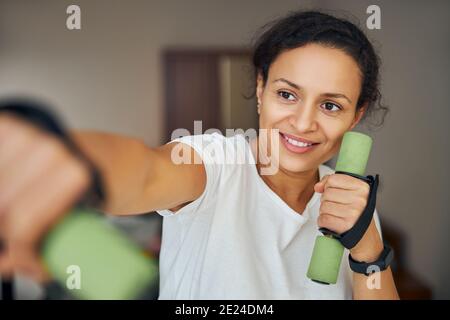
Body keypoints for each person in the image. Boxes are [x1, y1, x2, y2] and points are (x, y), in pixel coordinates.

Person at [0, 10, 399, 299]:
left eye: (331, 105)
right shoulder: (214, 163)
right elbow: (146, 171)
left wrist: (367, 250)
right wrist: (65, 155)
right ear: (260, 90)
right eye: (287, 94)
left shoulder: (354, 204)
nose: (304, 122)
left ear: (356, 115)